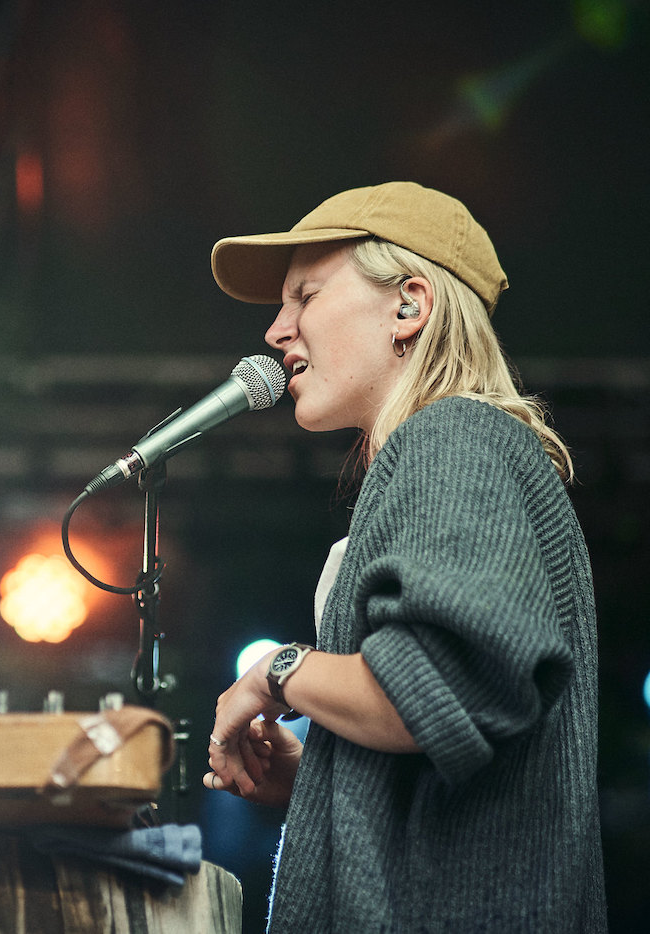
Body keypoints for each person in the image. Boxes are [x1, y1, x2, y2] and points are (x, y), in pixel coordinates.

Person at [201, 182, 605, 931]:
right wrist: (325, 777)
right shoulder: (449, 452)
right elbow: (443, 734)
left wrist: (277, 672)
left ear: (409, 306)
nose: (276, 331)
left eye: (307, 295)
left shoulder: (454, 440)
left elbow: (430, 693)